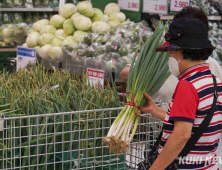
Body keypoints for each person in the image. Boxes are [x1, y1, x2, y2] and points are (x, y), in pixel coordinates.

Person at [139, 17, 222, 170]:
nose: (169, 58)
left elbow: (181, 135)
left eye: (170, 53)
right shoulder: (214, 81)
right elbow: (195, 120)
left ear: (181, 53)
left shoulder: (187, 85)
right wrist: (155, 109)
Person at [120, 7, 222, 104]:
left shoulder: (211, 67)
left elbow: (181, 119)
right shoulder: (159, 58)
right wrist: (150, 72)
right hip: (157, 120)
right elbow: (124, 73)